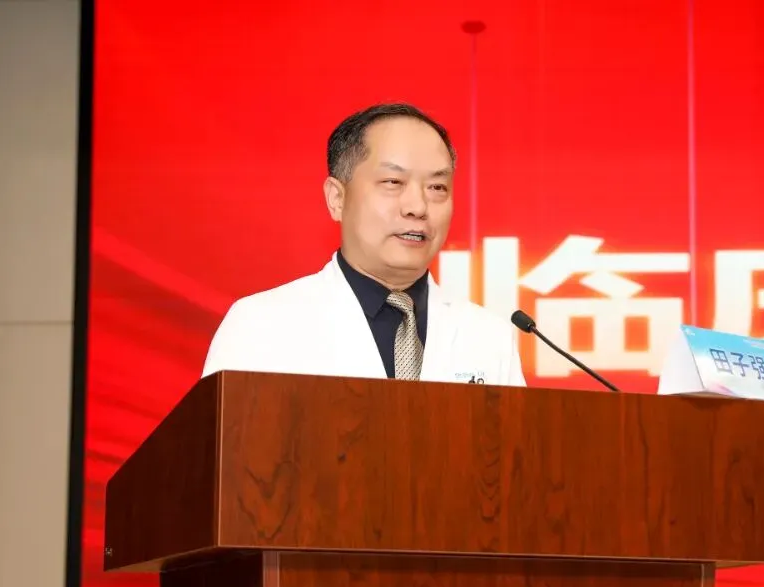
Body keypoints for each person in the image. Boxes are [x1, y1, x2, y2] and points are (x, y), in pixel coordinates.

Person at [201, 103, 526, 386]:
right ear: (337, 198)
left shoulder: (489, 337)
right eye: (393, 182)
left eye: (437, 187)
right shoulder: (261, 325)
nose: (417, 206)